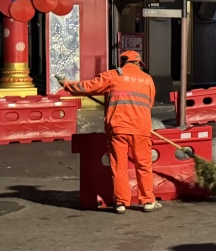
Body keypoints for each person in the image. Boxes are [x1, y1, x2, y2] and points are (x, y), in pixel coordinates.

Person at [62, 50, 160, 214]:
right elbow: (149, 103)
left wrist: (67, 84)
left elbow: (88, 87)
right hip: (140, 128)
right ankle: (148, 200)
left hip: (118, 128)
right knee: (143, 165)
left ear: (122, 62)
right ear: (138, 63)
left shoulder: (113, 75)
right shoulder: (147, 79)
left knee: (119, 166)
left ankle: (121, 203)